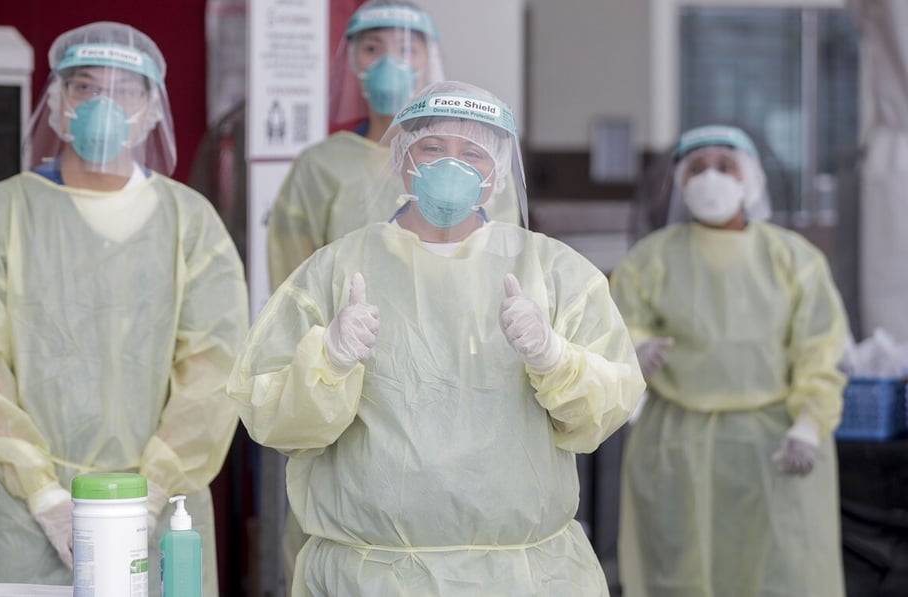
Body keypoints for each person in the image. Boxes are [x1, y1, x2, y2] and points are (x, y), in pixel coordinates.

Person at [228, 80, 646, 596]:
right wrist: (328, 360)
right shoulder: (338, 270)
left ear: (496, 174)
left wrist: (553, 356)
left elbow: (603, 412)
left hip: (522, 576)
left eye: (473, 153)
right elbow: (271, 417)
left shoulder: (553, 272)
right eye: (432, 148)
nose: (453, 165)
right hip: (371, 576)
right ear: (402, 158)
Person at [0, 22, 249, 596]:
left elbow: (214, 372)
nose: (104, 103)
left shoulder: (190, 222)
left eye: (125, 89)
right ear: (56, 102)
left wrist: (149, 491)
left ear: (152, 109)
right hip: (24, 515)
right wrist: (46, 495)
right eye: (85, 87)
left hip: (161, 518)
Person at [610, 124, 848, 596]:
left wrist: (808, 422)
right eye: (696, 169)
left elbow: (821, 347)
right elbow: (615, 323)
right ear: (679, 183)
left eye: (725, 167)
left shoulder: (792, 258)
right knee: (678, 573)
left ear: (752, 179)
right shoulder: (651, 259)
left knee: (782, 570)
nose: (710, 178)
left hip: (775, 443)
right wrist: (631, 352)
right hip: (675, 446)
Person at [266, 0, 520, 290]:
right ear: (352, 60)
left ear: (429, 59)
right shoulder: (321, 165)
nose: (390, 63)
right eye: (372, 49)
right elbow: (294, 281)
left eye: (407, 49)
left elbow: (499, 264)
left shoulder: (477, 161)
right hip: (350, 332)